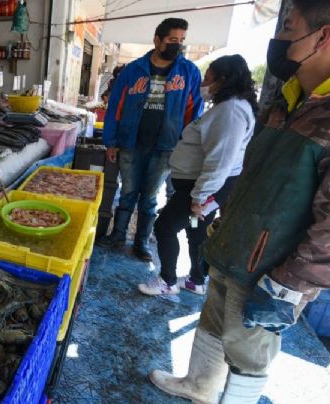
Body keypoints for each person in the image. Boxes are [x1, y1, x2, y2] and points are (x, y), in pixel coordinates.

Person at [149, 1, 330, 402]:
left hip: (272, 268)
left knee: (249, 350)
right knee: (213, 324)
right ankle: (198, 386)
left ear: (323, 35)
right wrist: (222, 223)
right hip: (235, 245)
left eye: (289, 26)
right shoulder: (284, 102)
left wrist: (291, 284)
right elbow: (248, 174)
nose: (279, 38)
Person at [138, 55, 257, 296]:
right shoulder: (227, 107)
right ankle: (196, 279)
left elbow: (220, 160)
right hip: (198, 188)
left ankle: (167, 281)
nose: (204, 82)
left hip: (203, 190)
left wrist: (200, 197)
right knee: (195, 229)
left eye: (208, 78)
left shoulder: (231, 111)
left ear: (223, 80)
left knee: (165, 227)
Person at [98, 18, 203, 261]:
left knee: (150, 197)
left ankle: (141, 242)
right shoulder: (132, 71)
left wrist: (185, 146)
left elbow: (193, 112)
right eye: (172, 40)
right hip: (131, 143)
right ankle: (118, 235)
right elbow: (115, 108)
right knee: (128, 193)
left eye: (181, 41)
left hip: (166, 147)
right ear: (157, 40)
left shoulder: (188, 72)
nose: (177, 45)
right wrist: (111, 141)